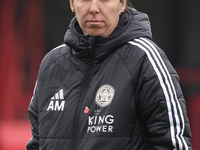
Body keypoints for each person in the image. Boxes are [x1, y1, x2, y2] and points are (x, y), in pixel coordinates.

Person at [26, 0, 192, 149]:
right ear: (72, 3)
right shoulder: (52, 64)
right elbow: (37, 141)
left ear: (121, 4)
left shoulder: (145, 59)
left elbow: (174, 144)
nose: (93, 8)